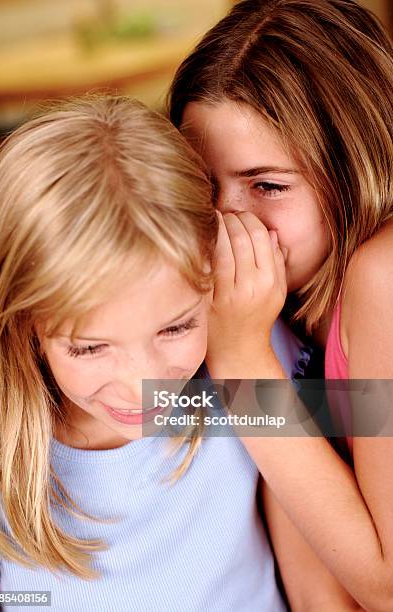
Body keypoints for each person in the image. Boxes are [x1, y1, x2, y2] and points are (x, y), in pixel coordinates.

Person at [0, 94, 315, 611]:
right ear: (23, 322)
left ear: (215, 277)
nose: (145, 385)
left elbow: (374, 415)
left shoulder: (247, 359)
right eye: (90, 347)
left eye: (176, 327)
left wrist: (246, 362)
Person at [168, 0, 393, 610]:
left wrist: (241, 358)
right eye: (200, 183)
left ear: (354, 169)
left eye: (266, 185)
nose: (226, 223)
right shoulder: (286, 305)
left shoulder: (381, 276)